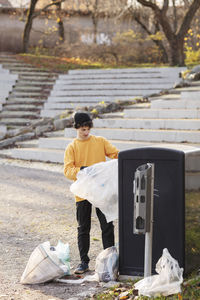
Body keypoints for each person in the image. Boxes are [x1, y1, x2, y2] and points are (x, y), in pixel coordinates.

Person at [64, 111, 119, 274]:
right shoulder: (72, 147)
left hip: (101, 191)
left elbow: (116, 154)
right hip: (82, 193)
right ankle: (83, 261)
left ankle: (110, 260)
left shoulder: (100, 141)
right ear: (76, 129)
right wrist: (82, 170)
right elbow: (67, 170)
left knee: (107, 225)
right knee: (83, 227)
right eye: (82, 129)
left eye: (88, 128)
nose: (86, 132)